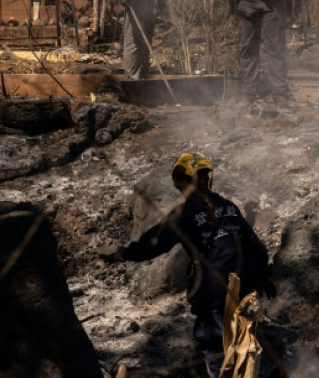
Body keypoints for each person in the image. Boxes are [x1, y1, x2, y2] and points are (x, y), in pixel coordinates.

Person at [102, 152, 274, 378]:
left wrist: (123, 253)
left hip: (214, 292)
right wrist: (264, 278)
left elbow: (155, 243)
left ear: (180, 182)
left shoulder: (184, 212)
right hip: (247, 286)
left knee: (217, 348)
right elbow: (256, 246)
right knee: (244, 345)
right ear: (207, 179)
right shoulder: (229, 206)